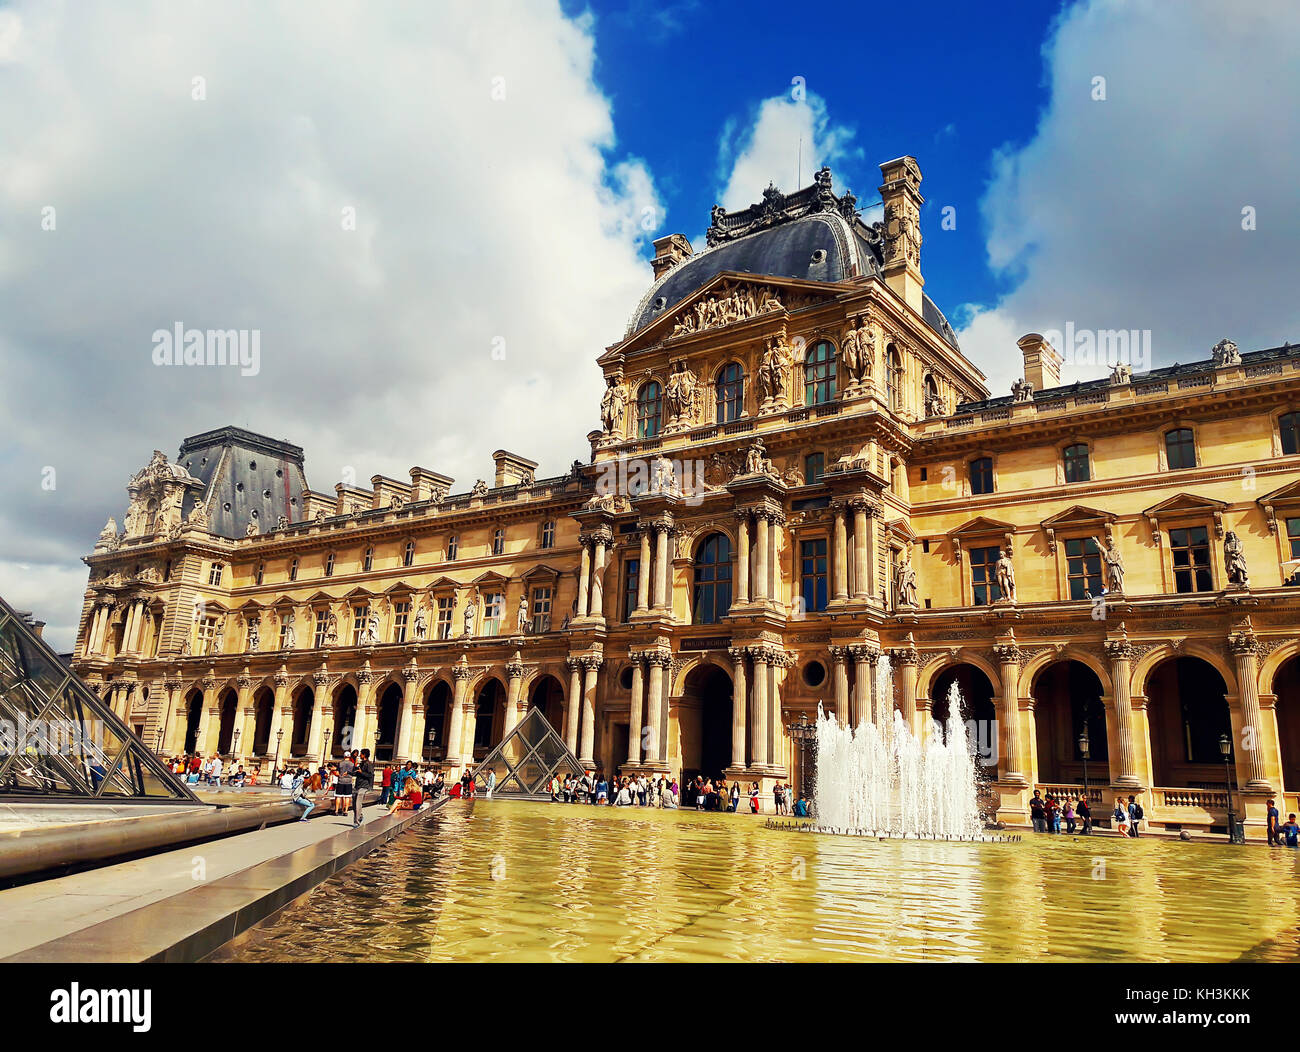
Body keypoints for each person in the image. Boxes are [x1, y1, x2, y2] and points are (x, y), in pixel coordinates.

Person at [352, 748, 373, 828]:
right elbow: (356, 774)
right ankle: (360, 816)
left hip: (364, 786)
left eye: (361, 754)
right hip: (357, 785)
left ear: (364, 755)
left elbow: (370, 775)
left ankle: (356, 822)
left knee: (358, 803)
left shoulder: (369, 764)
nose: (359, 755)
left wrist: (362, 772)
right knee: (354, 804)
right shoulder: (361, 764)